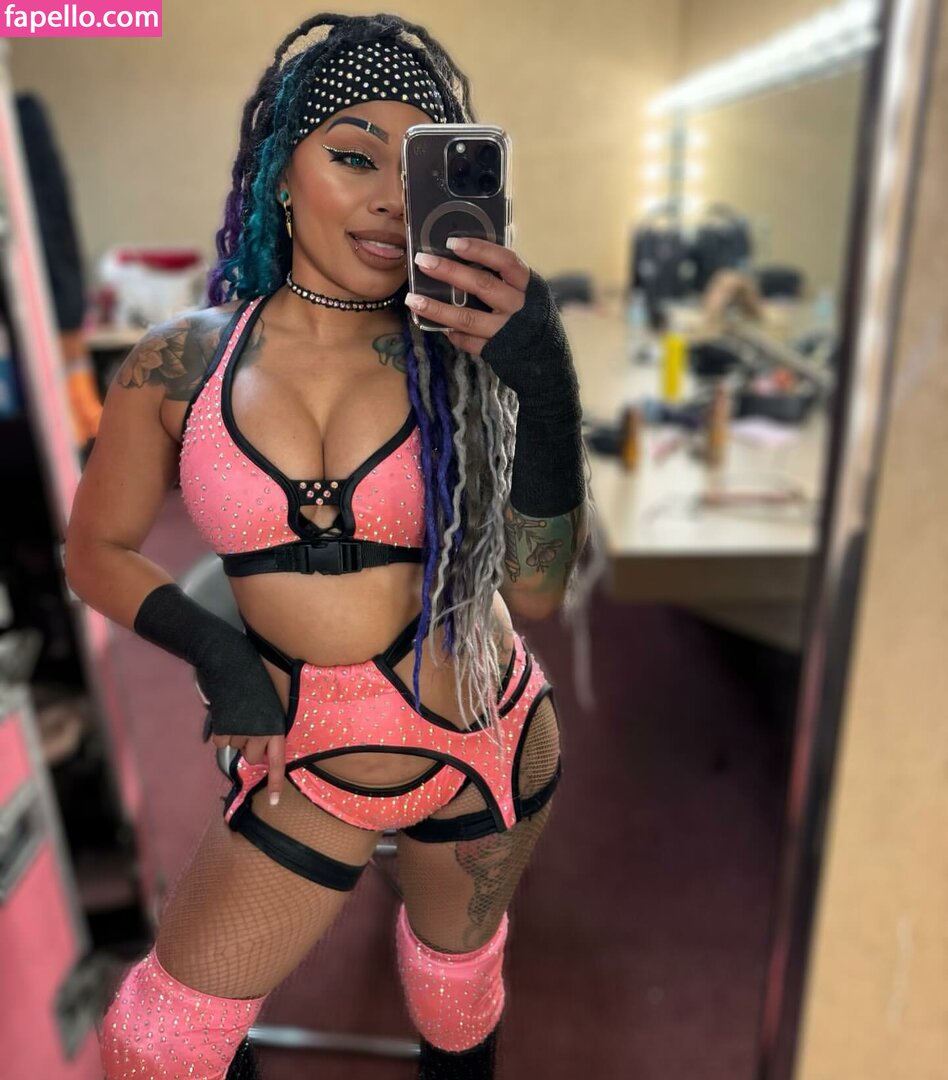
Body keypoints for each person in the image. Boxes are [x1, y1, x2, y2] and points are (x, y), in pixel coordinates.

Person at [64, 13, 592, 1079]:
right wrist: (220, 655)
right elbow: (96, 550)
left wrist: (544, 376)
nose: (392, 199)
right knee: (154, 1047)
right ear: (280, 173)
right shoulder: (179, 365)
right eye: (354, 157)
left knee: (455, 1000)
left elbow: (536, 592)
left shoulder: (463, 354)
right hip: (306, 754)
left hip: (485, 741)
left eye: (416, 169)